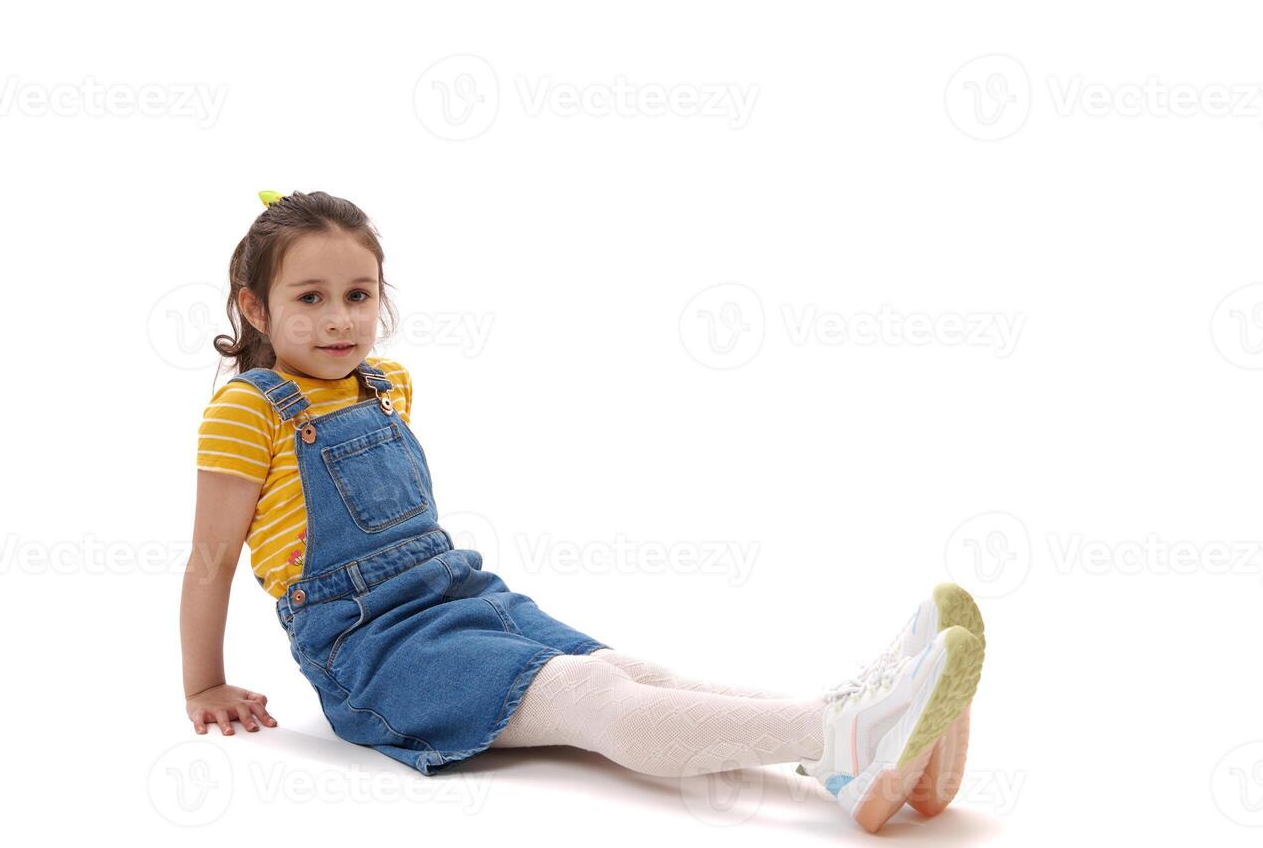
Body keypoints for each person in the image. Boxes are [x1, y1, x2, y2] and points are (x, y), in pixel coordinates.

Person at [178, 189, 986, 834]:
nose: (339, 318)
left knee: (629, 669)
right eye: (309, 297)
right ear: (254, 308)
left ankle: (840, 752)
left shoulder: (387, 385)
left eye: (358, 294)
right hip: (369, 648)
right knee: (590, 700)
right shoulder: (250, 409)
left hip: (458, 593)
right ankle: (845, 729)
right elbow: (210, 556)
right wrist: (205, 683)